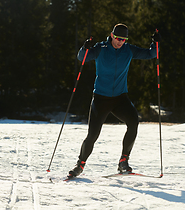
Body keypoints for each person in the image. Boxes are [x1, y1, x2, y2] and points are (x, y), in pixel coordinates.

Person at [68, 23, 161, 177]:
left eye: (123, 39)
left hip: (120, 98)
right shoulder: (101, 48)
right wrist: (85, 48)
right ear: (112, 35)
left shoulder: (128, 50)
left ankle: (123, 161)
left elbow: (151, 54)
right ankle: (80, 165)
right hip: (101, 99)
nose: (120, 42)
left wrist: (156, 43)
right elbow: (82, 58)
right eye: (118, 38)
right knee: (92, 135)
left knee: (133, 122)